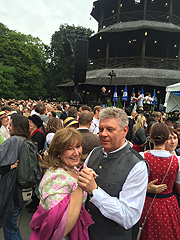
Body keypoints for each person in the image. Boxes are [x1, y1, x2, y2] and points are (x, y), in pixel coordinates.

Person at [77, 106, 148, 240]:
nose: (103, 134)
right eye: (101, 129)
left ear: (124, 131)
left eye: (110, 129)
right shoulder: (95, 152)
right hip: (85, 233)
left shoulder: (137, 165)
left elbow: (128, 217)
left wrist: (94, 191)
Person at [30, 128, 94, 239]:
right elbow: (61, 227)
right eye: (69, 148)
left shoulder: (73, 168)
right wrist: (81, 185)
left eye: (78, 146)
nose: (76, 152)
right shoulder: (55, 176)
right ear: (58, 152)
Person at [139, 123, 180, 240]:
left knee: (147, 233)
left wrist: (145, 187)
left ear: (151, 137)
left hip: (147, 201)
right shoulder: (176, 160)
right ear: (167, 138)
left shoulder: (142, 156)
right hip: (169, 203)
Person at [0, 115, 31, 240]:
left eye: (11, 124)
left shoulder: (13, 141)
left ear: (17, 127)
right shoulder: (27, 141)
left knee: (10, 226)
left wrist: (7, 168)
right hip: (23, 189)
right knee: (12, 222)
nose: (8, 127)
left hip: (11, 187)